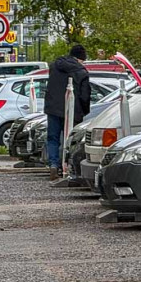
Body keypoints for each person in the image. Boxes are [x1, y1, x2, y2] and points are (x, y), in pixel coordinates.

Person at [43, 44, 91, 181]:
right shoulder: (81, 72)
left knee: (53, 138)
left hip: (53, 108)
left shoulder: (55, 66)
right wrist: (84, 110)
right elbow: (85, 95)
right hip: (72, 109)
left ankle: (53, 164)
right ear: (80, 58)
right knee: (70, 139)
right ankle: (67, 166)